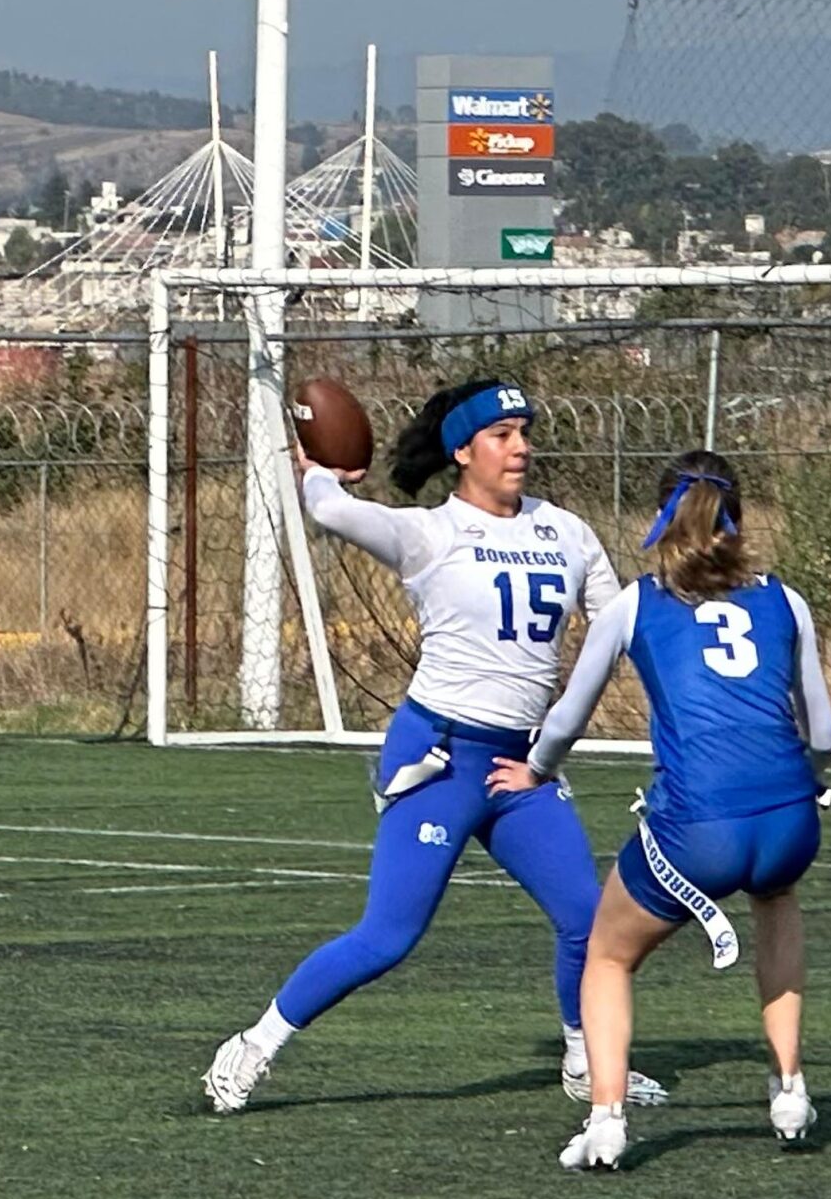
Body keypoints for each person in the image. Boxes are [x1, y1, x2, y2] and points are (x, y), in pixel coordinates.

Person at [201, 379, 667, 1114]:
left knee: (588, 917)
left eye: (524, 432)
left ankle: (586, 1062)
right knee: (389, 936)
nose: (520, 447)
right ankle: (253, 1045)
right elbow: (328, 511)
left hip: (524, 762)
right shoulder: (430, 534)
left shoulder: (567, 531)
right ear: (462, 449)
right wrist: (323, 469)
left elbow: (620, 628)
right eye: (502, 434)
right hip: (443, 754)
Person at [486, 450, 831, 1171]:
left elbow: (567, 718)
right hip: (787, 819)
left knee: (607, 954)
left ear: (659, 519)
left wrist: (535, 771)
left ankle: (608, 1119)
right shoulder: (786, 599)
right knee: (776, 901)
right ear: (739, 518)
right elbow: (824, 734)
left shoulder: (634, 604)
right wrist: (799, 782)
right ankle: (789, 1088)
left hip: (697, 826)